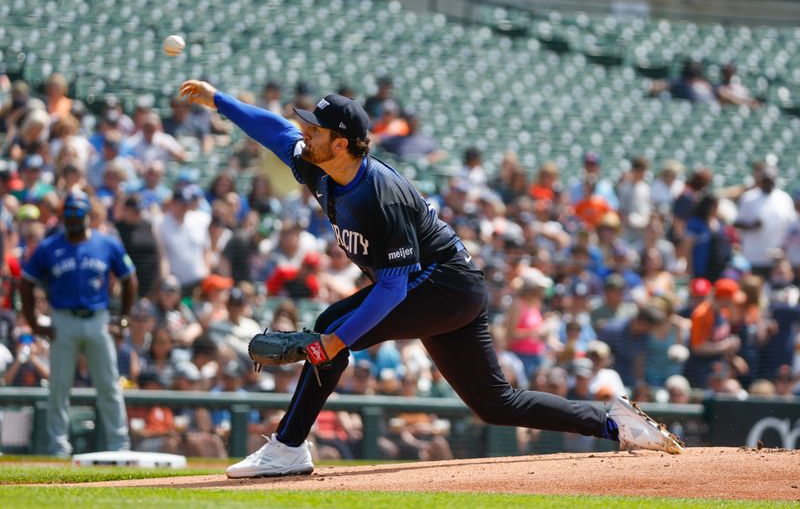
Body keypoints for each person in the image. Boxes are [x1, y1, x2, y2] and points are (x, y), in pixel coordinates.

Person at [179, 79, 683, 478]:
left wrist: (333, 341)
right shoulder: (318, 166)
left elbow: (394, 289)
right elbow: (272, 129)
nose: (304, 132)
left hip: (445, 286)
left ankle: (288, 447)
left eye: (315, 129)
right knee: (495, 403)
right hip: (441, 290)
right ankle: (616, 423)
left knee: (331, 324)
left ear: (343, 143)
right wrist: (218, 100)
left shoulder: (380, 194)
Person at [20, 191, 137, 456]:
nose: (74, 219)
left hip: (98, 319)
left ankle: (119, 445)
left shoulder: (106, 244)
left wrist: (124, 319)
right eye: (69, 214)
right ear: (63, 216)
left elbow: (130, 278)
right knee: (58, 387)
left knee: (108, 385)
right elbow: (26, 282)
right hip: (63, 320)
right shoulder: (49, 246)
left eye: (78, 214)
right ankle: (57, 447)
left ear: (88, 215)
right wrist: (34, 322)